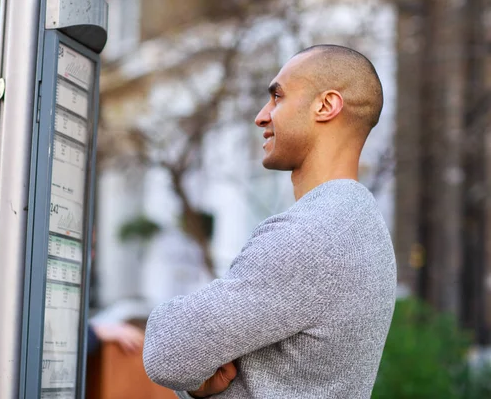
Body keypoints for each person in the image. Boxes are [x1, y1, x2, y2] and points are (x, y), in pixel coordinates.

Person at [142, 44, 397, 398]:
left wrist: (184, 350)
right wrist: (199, 388)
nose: (262, 116)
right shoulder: (363, 225)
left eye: (277, 96)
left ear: (326, 106)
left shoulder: (310, 235)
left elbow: (167, 353)